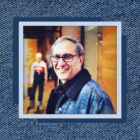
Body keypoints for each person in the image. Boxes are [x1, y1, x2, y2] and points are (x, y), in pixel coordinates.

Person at [46, 36, 115, 114]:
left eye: (68, 57)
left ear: (80, 60)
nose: (61, 63)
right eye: (56, 57)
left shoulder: (97, 99)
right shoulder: (60, 90)